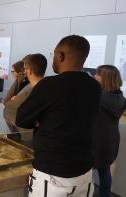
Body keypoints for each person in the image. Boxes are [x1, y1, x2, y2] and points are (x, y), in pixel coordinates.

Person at [16, 35, 102, 196]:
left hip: (52, 174)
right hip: (84, 172)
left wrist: (41, 120)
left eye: (54, 54)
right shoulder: (95, 86)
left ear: (60, 56)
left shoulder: (49, 85)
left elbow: (21, 118)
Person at [92, 65, 126, 197]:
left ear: (106, 79)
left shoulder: (98, 97)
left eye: (98, 74)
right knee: (105, 172)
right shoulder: (120, 99)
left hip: (95, 141)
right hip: (110, 141)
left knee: (86, 174)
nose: (95, 76)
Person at [3, 54, 46, 136]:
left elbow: (8, 105)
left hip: (26, 135)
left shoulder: (30, 89)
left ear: (28, 71)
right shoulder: (44, 86)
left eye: (25, 68)